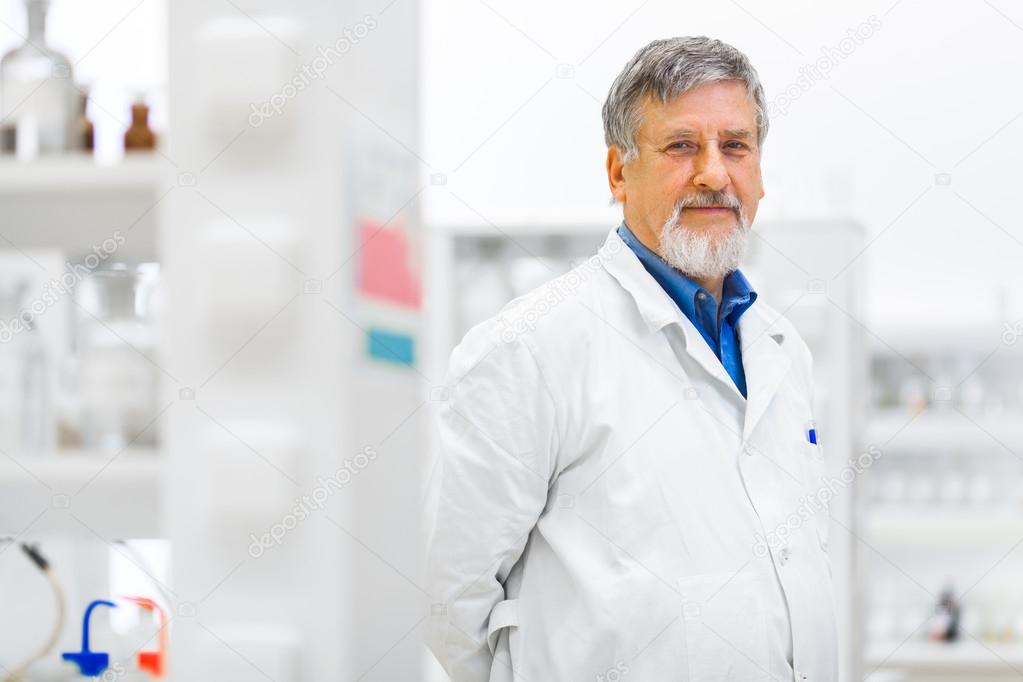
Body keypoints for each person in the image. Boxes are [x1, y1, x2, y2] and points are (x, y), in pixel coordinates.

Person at [426, 36, 838, 682]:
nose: (712, 173)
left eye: (735, 145)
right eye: (681, 146)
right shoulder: (529, 348)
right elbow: (448, 602)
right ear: (618, 173)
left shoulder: (784, 351)